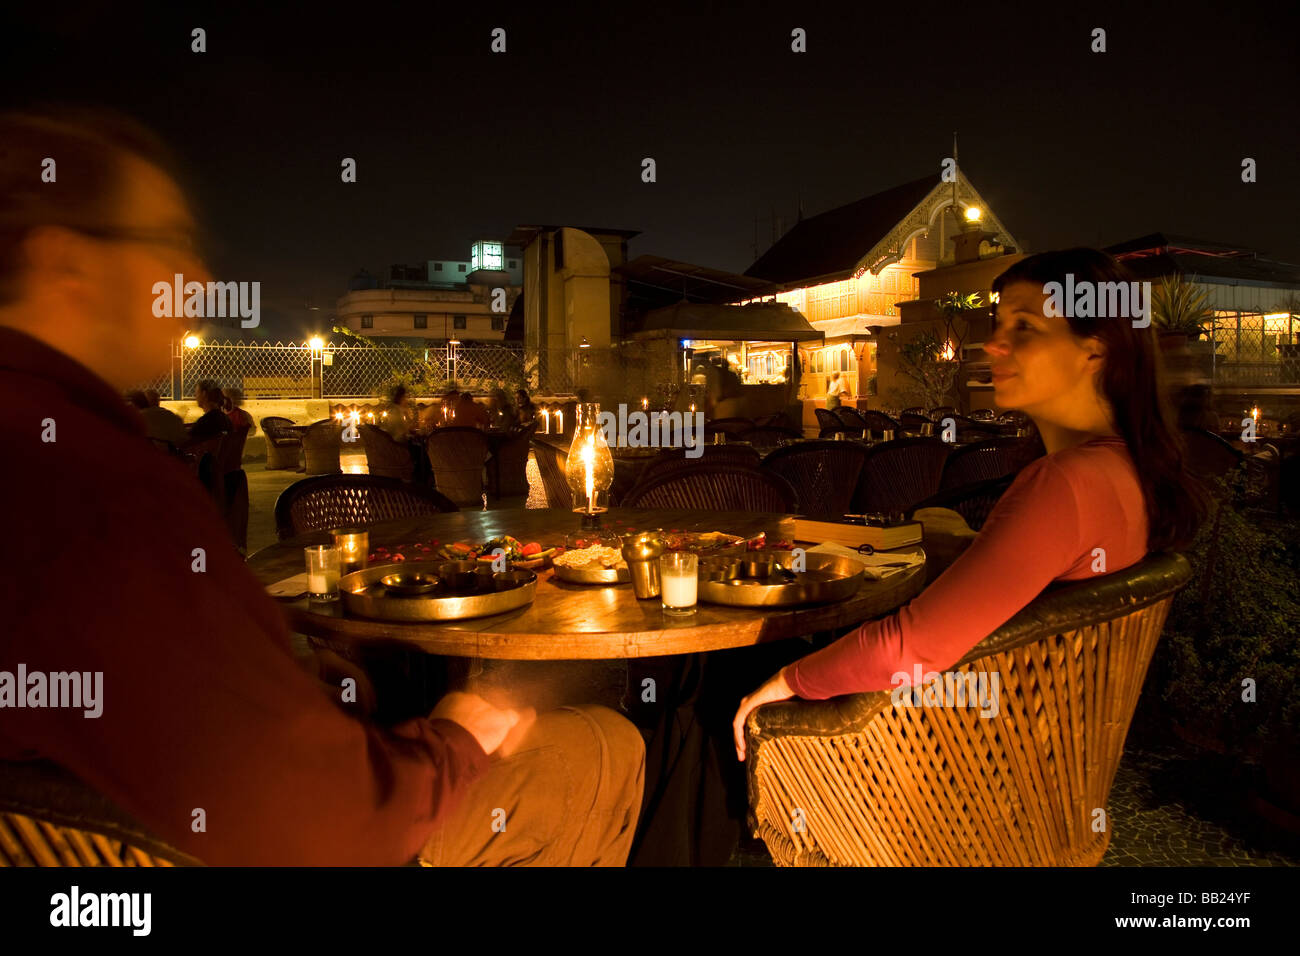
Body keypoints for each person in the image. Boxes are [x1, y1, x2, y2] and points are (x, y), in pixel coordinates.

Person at [0, 107, 643, 865]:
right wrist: (459, 741)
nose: (199, 277)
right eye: (167, 242)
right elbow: (313, 823)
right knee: (603, 743)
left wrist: (288, 675)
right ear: (63, 268)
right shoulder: (97, 488)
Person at [733, 248, 1209, 758]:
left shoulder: (1068, 484)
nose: (994, 345)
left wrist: (791, 680)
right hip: (1031, 736)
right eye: (998, 324)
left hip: (952, 754)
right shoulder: (1124, 470)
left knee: (730, 671)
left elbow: (913, 646)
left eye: (1023, 327)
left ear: (1095, 351)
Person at [185, 379, 231, 446]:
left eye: (197, 393)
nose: (195, 397)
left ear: (204, 394)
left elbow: (186, 441)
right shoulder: (226, 420)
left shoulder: (205, 422)